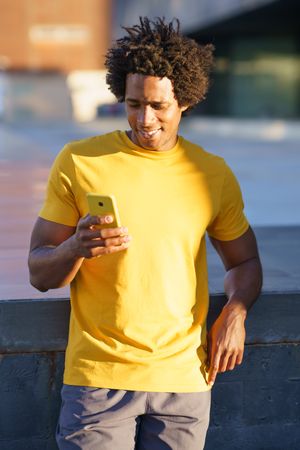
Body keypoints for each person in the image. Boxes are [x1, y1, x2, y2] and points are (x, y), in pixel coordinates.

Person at [28, 17, 262, 450]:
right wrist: (76, 247)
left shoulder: (211, 173)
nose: (144, 118)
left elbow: (245, 261)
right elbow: (40, 274)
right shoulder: (80, 160)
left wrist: (237, 311)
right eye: (134, 104)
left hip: (185, 381)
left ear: (185, 102)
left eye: (158, 106)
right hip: (98, 381)